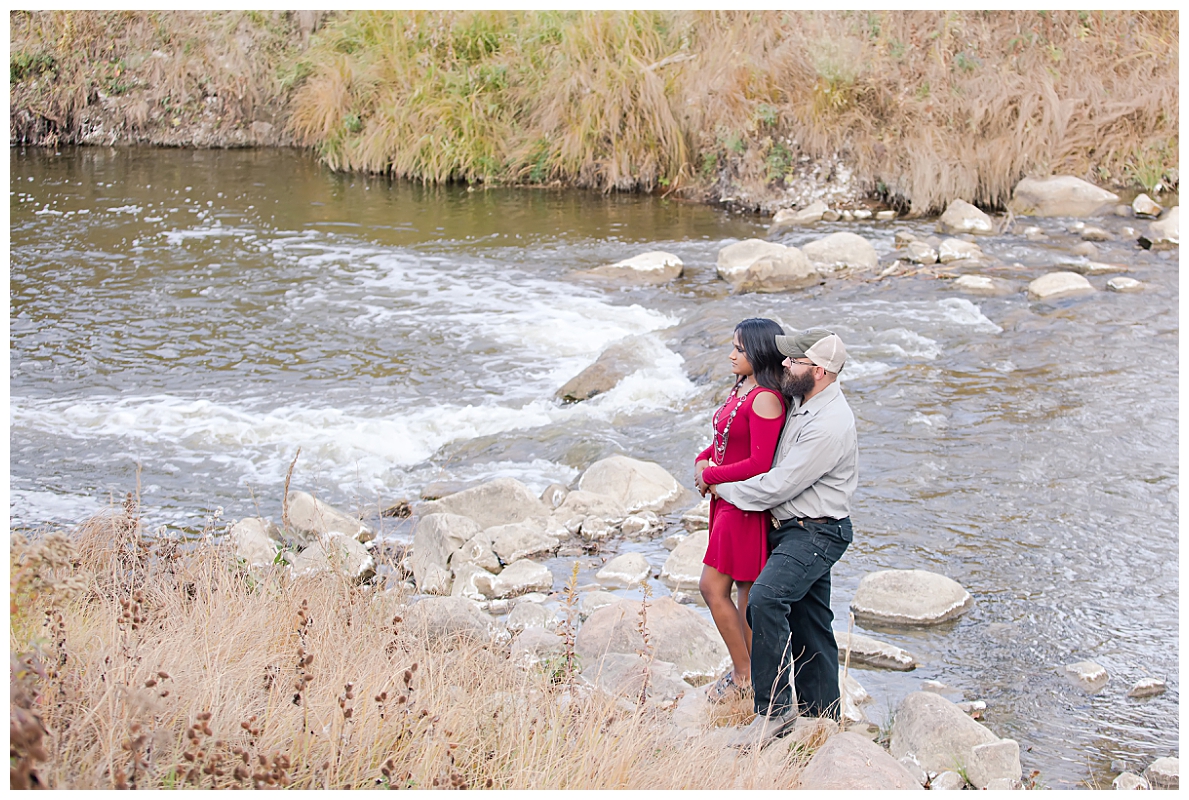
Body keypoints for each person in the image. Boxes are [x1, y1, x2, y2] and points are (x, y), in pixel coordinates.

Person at [697, 328, 858, 749]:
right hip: (794, 528)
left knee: (766, 600)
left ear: (819, 371)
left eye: (795, 361)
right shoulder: (803, 400)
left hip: (817, 531)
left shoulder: (830, 424)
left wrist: (718, 486)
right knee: (813, 623)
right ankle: (823, 719)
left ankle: (772, 712)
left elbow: (777, 485)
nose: (785, 364)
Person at [693, 318, 788, 703]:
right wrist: (702, 461)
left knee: (714, 588)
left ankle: (745, 674)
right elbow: (723, 439)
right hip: (725, 501)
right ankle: (754, 676)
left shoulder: (766, 396)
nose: (732, 354)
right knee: (742, 590)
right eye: (733, 346)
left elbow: (761, 463)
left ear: (760, 353)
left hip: (743, 507)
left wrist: (711, 475)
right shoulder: (742, 387)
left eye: (740, 349)